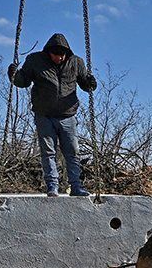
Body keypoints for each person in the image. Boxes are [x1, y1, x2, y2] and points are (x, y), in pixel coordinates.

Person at [8, 33, 98, 197]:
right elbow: (24, 82)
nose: (60, 58)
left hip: (67, 115)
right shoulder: (35, 60)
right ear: (49, 52)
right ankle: (52, 187)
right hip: (44, 114)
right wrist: (14, 75)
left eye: (62, 55)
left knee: (72, 152)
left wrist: (91, 83)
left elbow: (85, 84)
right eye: (56, 55)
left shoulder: (76, 62)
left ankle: (76, 187)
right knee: (48, 152)